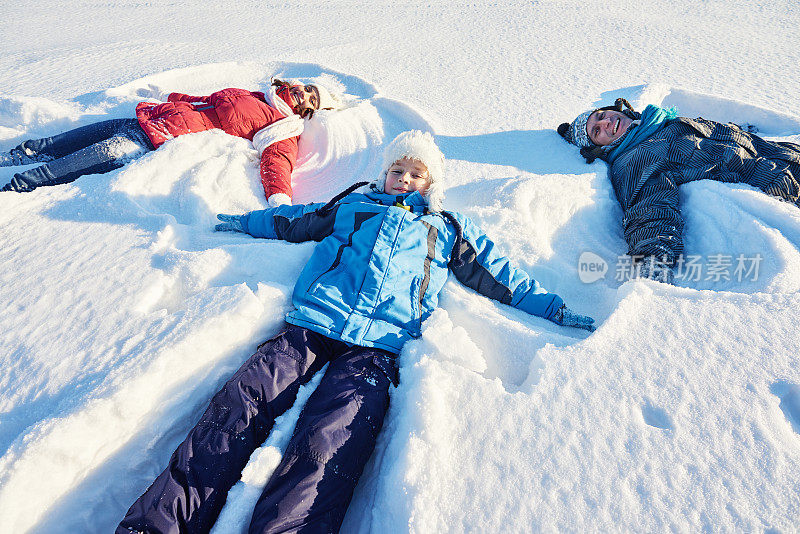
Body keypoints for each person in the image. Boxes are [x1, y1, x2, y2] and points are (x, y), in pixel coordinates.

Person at [116, 130, 596, 534]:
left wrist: (553, 308)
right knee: (239, 407)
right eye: (397, 170)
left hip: (378, 348)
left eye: (416, 173)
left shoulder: (446, 227)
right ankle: (157, 524)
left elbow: (501, 274)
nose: (404, 179)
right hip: (313, 323)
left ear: (432, 182)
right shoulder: (355, 204)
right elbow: (292, 220)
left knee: (328, 442)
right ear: (383, 173)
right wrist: (238, 221)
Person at [558, 98, 800, 283]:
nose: (606, 122)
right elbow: (650, 206)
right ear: (598, 149)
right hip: (782, 187)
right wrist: (653, 262)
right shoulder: (634, 158)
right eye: (597, 131)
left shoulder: (658, 122)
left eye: (601, 115)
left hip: (789, 157)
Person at [0, 79, 342, 206]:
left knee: (51, 172)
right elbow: (205, 100)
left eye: (312, 99)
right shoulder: (258, 95)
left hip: (150, 142)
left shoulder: (282, 128)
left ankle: (8, 193)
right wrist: (172, 96)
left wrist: (279, 201)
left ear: (309, 111)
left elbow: (278, 163)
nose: (305, 95)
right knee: (46, 144)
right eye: (308, 88)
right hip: (150, 119)